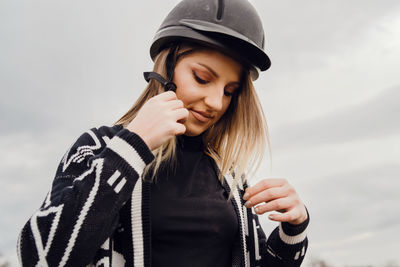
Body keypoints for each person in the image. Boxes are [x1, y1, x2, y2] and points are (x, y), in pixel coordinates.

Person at [18, 0, 309, 266]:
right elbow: (41, 256)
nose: (216, 102)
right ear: (166, 66)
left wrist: (293, 230)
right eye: (202, 78)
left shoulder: (229, 176)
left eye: (229, 92)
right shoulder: (99, 147)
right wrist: (133, 147)